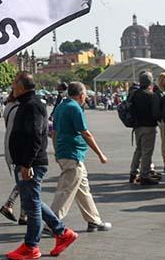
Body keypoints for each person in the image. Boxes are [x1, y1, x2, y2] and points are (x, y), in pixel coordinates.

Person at [6, 71, 77, 260]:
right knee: (33, 201)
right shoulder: (26, 104)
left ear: (22, 86)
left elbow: (36, 135)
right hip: (25, 162)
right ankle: (62, 233)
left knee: (32, 206)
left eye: (14, 83)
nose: (12, 86)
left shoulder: (33, 105)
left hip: (31, 163)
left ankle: (31, 246)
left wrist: (27, 163)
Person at [49, 82, 112, 232]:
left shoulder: (60, 107)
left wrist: (57, 151)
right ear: (82, 95)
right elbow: (85, 133)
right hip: (73, 153)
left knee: (83, 188)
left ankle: (94, 220)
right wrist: (100, 154)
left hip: (64, 152)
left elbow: (54, 132)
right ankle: (51, 224)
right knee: (66, 190)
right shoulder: (75, 108)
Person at [129, 71, 160, 185]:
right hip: (149, 126)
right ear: (150, 82)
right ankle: (144, 176)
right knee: (147, 152)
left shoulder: (134, 94)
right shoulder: (151, 95)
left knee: (139, 150)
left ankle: (133, 172)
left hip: (137, 126)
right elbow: (156, 112)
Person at [0, 92, 26, 225]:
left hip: (11, 146)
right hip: (20, 149)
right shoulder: (19, 108)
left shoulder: (9, 106)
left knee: (23, 181)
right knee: (25, 181)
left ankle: (23, 214)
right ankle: (9, 204)